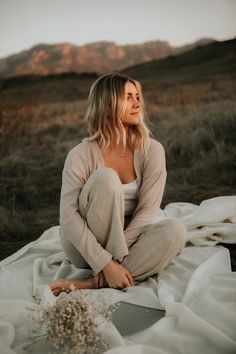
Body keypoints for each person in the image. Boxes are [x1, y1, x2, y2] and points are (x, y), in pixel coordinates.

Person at [49, 72, 186, 296]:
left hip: (128, 237)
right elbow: (68, 216)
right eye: (128, 97)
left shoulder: (151, 150)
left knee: (176, 230)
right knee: (106, 178)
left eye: (137, 96)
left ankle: (93, 283)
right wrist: (104, 261)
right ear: (106, 104)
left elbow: (147, 210)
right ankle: (109, 271)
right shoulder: (80, 154)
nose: (137, 103)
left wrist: (114, 260)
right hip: (84, 246)